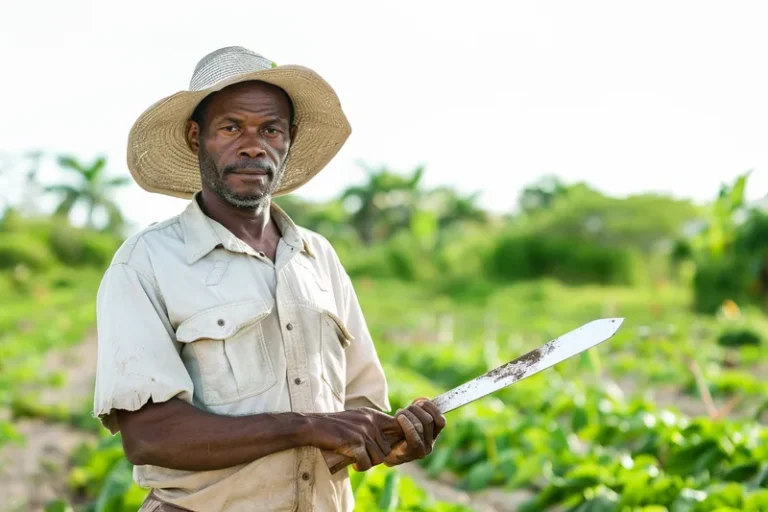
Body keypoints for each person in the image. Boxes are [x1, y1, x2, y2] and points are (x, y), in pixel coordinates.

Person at [91, 46, 446, 511]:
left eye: (270, 129)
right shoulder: (147, 262)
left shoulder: (317, 257)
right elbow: (152, 436)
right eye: (231, 127)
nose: (253, 144)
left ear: (289, 139)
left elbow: (359, 409)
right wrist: (305, 426)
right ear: (197, 137)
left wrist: (395, 435)